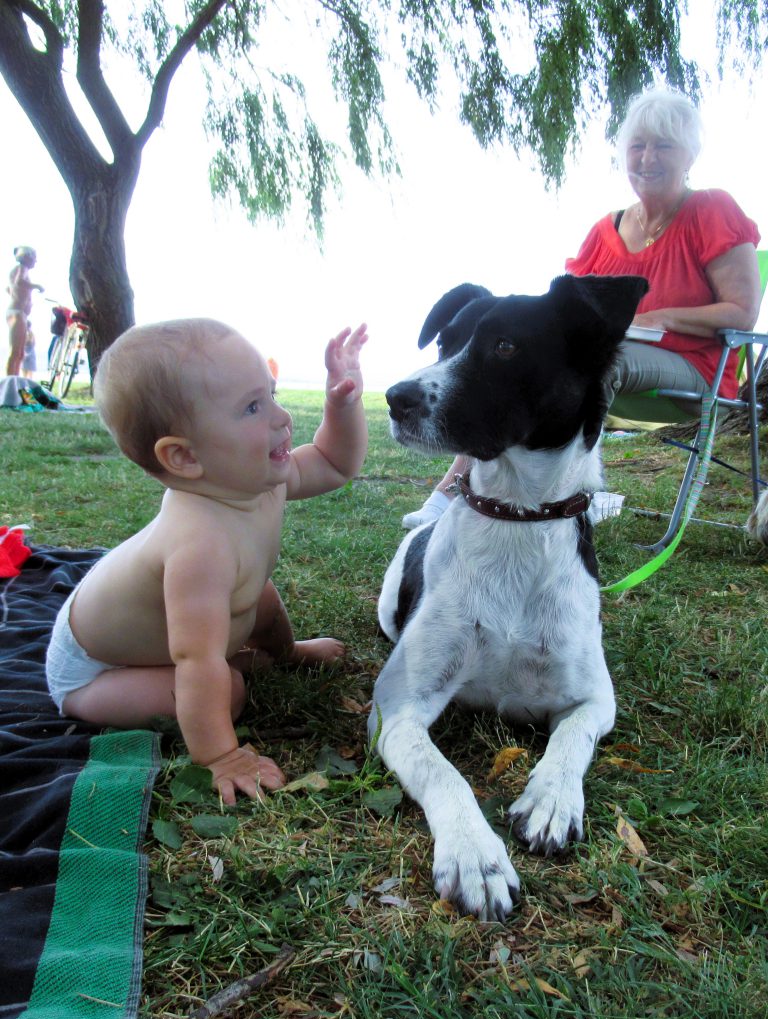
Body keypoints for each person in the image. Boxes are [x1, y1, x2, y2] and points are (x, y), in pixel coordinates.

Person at [402, 86, 762, 529]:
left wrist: (659, 318)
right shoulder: (604, 230)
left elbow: (742, 313)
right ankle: (464, 489)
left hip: (699, 368)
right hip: (628, 361)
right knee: (518, 364)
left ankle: (571, 499)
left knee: (602, 366)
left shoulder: (713, 210)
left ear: (690, 155)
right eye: (638, 146)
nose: (648, 158)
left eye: (663, 146)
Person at [46, 317, 368, 805]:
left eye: (272, 394)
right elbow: (195, 662)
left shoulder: (261, 478)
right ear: (184, 457)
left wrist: (340, 404)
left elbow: (333, 462)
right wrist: (221, 756)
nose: (282, 418)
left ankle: (284, 652)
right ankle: (231, 684)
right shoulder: (198, 547)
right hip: (95, 671)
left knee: (258, 594)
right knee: (228, 690)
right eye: (253, 407)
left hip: (161, 628)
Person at [6, 246, 44, 377]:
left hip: (19, 312)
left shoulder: (20, 270)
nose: (35, 261)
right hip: (16, 312)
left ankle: (15, 379)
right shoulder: (22, 269)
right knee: (15, 351)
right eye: (34, 258)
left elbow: (9, 288)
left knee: (20, 352)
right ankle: (10, 381)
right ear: (27, 257)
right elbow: (19, 281)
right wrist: (36, 286)